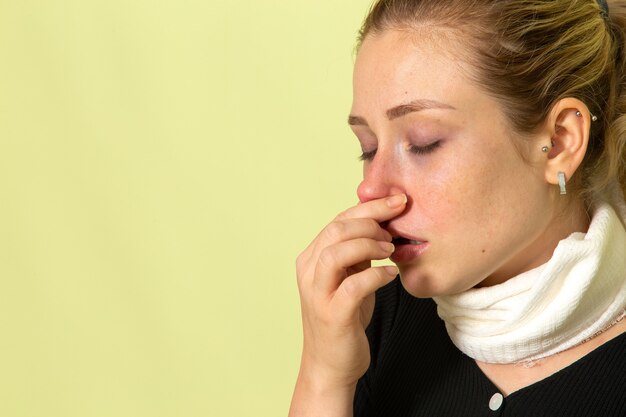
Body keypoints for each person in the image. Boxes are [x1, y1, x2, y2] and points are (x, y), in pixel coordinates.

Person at [289, 0, 626, 416]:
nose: (370, 188)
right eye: (368, 148)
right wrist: (323, 378)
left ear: (558, 141)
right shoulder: (373, 315)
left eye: (424, 142)